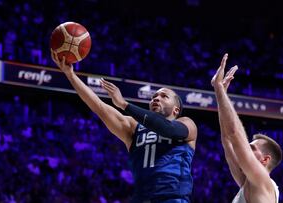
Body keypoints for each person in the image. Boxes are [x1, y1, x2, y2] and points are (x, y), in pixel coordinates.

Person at [51, 50, 198, 203]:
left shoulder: (187, 123)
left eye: (163, 96)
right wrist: (71, 75)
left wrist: (124, 104)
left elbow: (168, 129)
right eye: (154, 96)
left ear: (176, 109)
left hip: (172, 198)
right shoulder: (134, 127)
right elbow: (99, 107)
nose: (156, 98)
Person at [211, 53, 283, 203]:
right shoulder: (248, 183)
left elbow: (234, 134)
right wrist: (221, 95)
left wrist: (218, 88)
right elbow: (227, 140)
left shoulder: (261, 180)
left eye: (252, 148)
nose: (245, 148)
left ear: (265, 160)